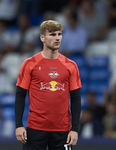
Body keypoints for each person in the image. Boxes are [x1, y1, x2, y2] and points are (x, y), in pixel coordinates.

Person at [14, 20, 82, 150]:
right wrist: (18, 125)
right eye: (52, 34)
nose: (57, 38)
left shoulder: (71, 65)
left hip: (63, 131)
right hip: (35, 129)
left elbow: (76, 98)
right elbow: (20, 95)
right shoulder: (29, 64)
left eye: (59, 34)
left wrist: (75, 129)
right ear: (42, 38)